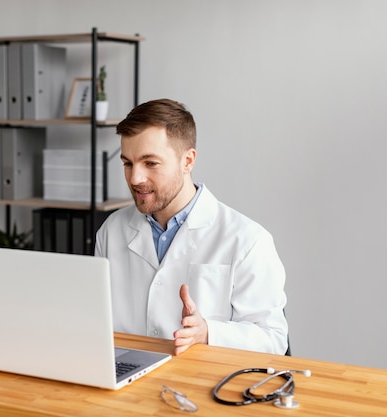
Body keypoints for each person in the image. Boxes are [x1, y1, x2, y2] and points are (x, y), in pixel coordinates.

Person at [94, 99, 288, 355]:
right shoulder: (112, 230)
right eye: (128, 163)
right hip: (126, 382)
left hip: (202, 385)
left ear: (188, 161)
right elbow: (95, 320)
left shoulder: (247, 240)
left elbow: (272, 339)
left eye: (150, 163)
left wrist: (209, 332)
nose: (135, 178)